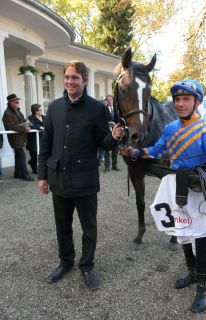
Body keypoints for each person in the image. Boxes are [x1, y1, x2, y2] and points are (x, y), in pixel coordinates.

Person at [121, 79, 206, 313]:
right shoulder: (170, 129)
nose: (181, 104)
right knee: (183, 231)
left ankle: (203, 288)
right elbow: (157, 150)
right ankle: (192, 273)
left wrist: (204, 175)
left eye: (186, 99)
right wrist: (136, 151)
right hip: (178, 189)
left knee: (200, 238)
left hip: (199, 192)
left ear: (197, 102)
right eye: (177, 99)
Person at [38, 61, 123, 289]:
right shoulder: (54, 108)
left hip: (85, 179)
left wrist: (114, 137)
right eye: (67, 77)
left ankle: (87, 265)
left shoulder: (97, 109)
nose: (69, 81)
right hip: (59, 178)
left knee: (89, 227)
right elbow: (45, 144)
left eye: (74, 77)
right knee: (62, 225)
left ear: (84, 81)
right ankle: (66, 262)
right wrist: (42, 175)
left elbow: (103, 144)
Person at [2, 94, 34, 181]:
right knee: (22, 155)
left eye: (18, 101)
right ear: (11, 103)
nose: (18, 103)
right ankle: (25, 175)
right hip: (15, 137)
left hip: (21, 136)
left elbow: (24, 121)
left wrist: (28, 125)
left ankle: (17, 173)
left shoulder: (18, 111)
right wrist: (24, 128)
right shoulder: (7, 113)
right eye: (16, 101)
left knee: (18, 155)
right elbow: (10, 126)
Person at [26, 104, 45, 174]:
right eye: (40, 110)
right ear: (36, 111)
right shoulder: (31, 117)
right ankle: (34, 169)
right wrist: (40, 127)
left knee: (42, 154)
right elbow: (31, 125)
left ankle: (41, 168)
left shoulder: (43, 117)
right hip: (33, 139)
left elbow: (47, 124)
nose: (41, 111)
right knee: (34, 153)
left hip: (42, 138)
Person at [104, 94, 120, 172]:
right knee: (107, 149)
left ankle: (114, 165)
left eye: (111, 100)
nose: (109, 101)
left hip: (116, 132)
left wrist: (116, 127)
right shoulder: (103, 109)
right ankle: (106, 167)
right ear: (106, 101)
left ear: (113, 100)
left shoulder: (117, 110)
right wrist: (108, 126)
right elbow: (102, 120)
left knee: (115, 149)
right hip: (107, 132)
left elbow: (119, 120)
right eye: (108, 100)